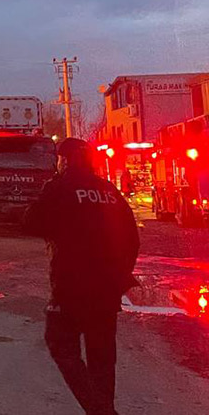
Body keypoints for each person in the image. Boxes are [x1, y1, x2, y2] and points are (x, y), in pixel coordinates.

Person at [23, 137, 140, 415]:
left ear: (64, 161)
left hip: (71, 289)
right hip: (107, 292)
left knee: (61, 346)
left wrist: (47, 194)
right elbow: (132, 239)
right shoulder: (109, 191)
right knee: (102, 361)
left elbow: (31, 222)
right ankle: (103, 407)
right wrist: (118, 275)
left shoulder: (61, 188)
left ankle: (101, 411)